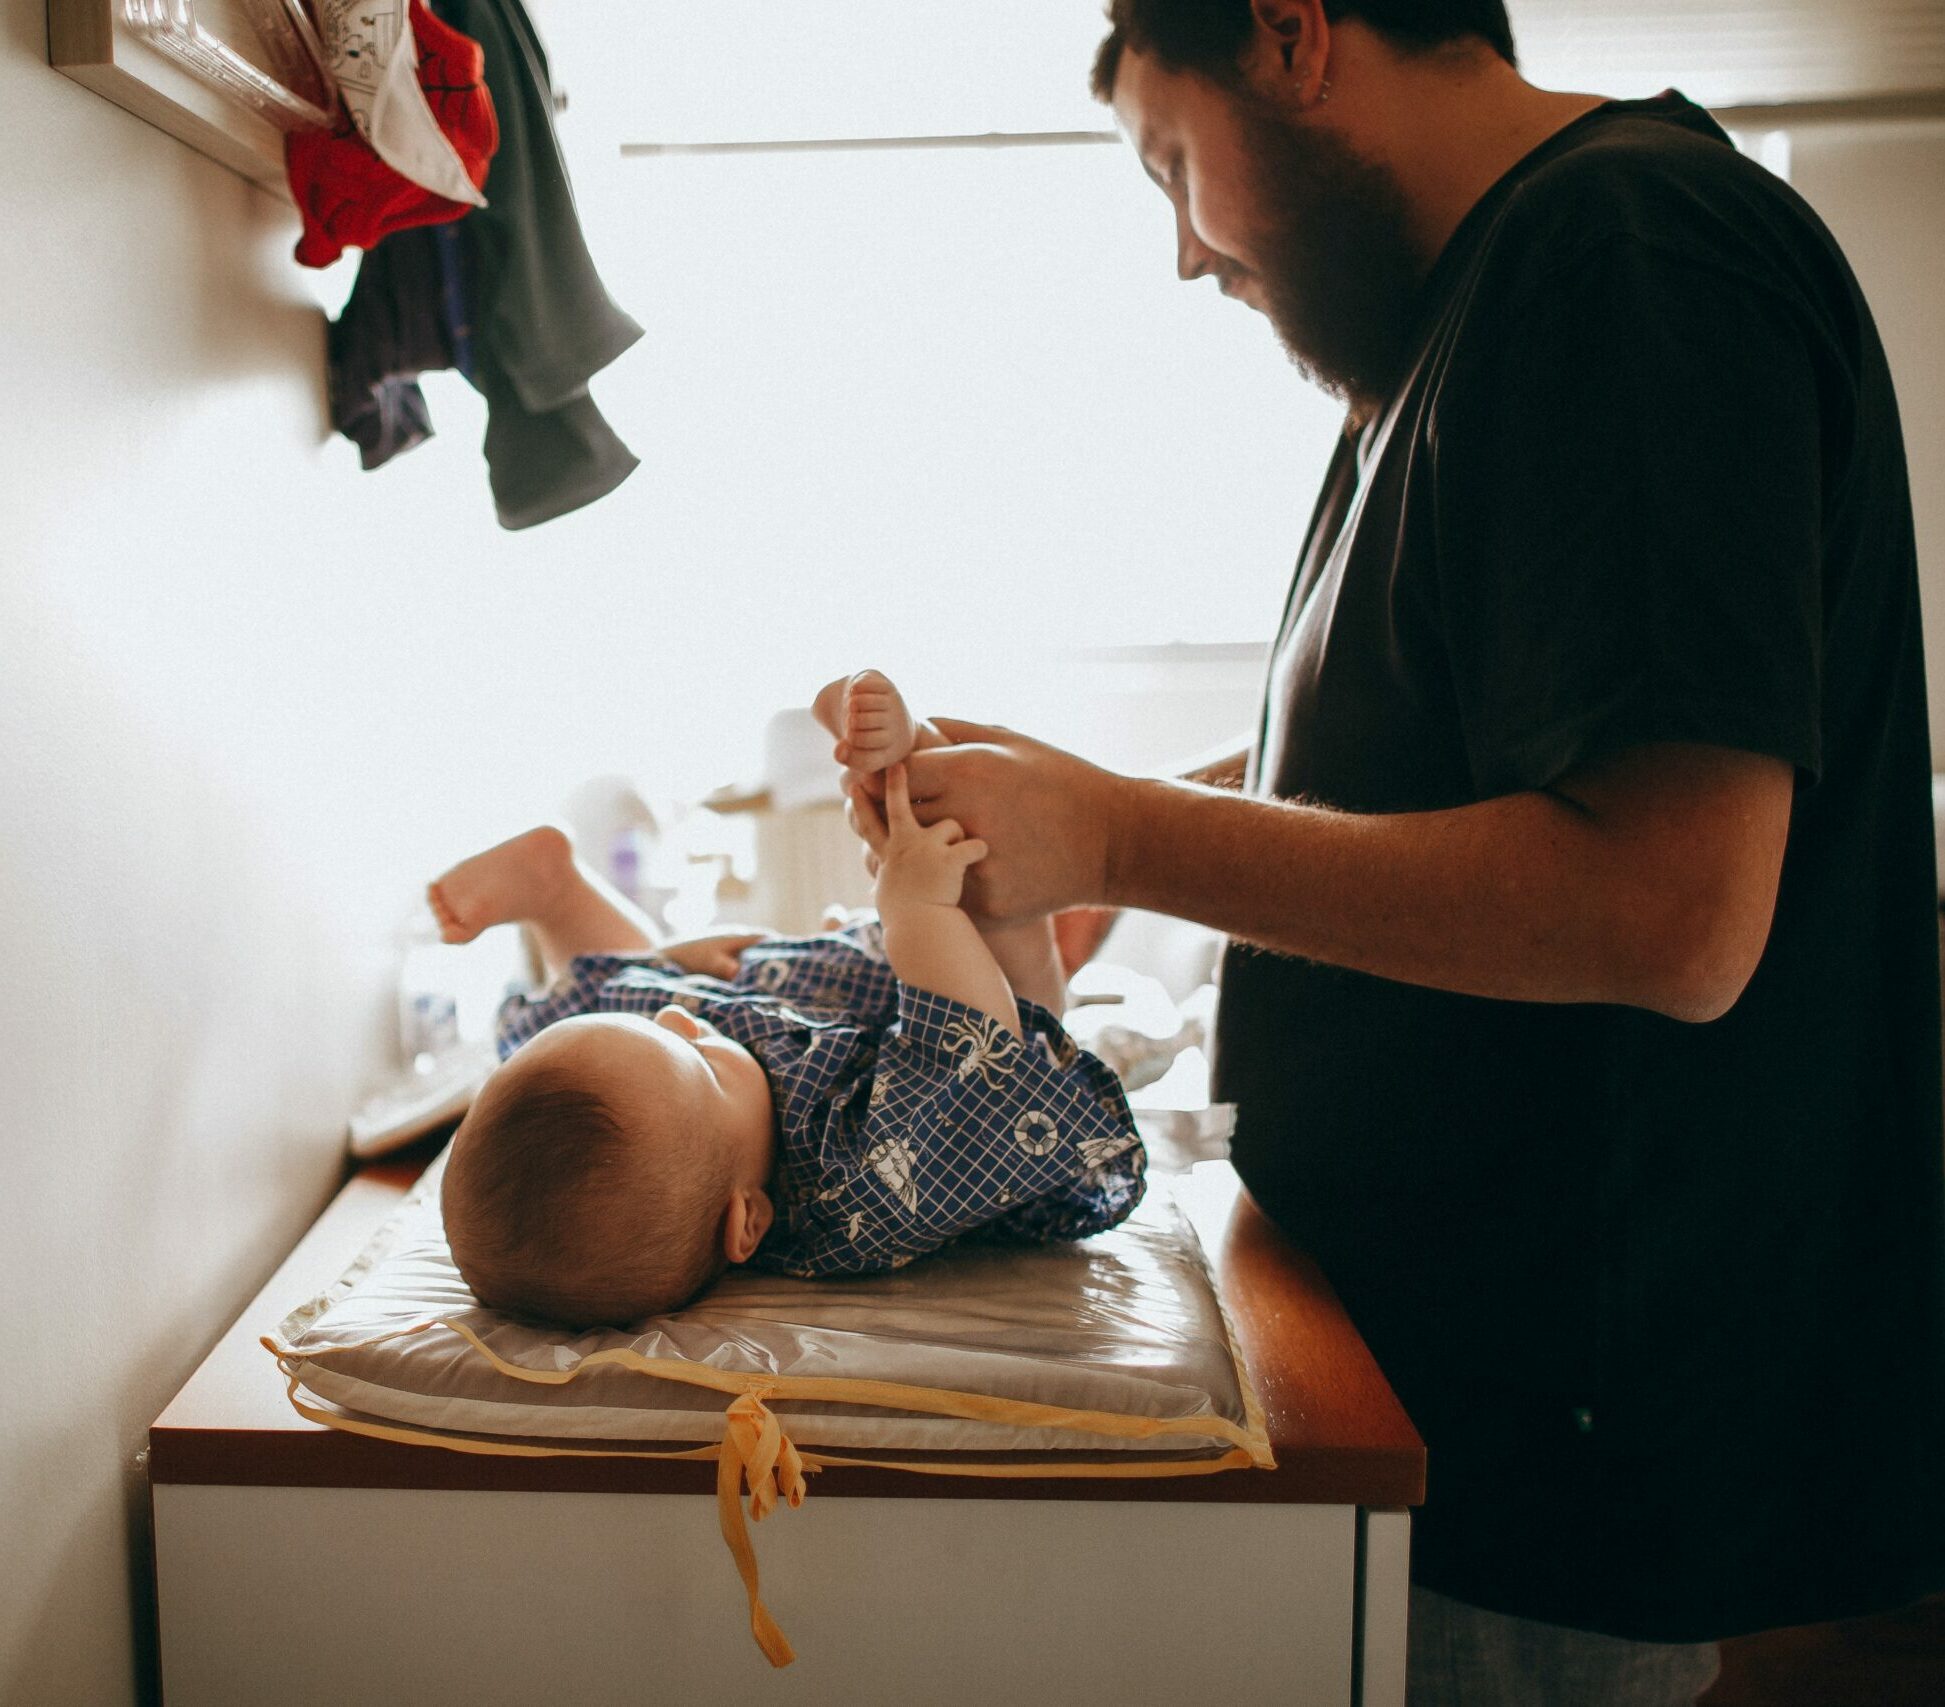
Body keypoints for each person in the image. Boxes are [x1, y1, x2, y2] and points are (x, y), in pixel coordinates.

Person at [855, 2, 1945, 1702]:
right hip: (1440, 1399)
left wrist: (1127, 828)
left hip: (1549, 1440)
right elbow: (1412, 753)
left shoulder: (1628, 256)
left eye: (1173, 166)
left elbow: (1672, 912)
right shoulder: (1466, 324)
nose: (1185, 251)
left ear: (1293, 33)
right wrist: (1085, 832)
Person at [431, 670, 1144, 1329]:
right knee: (1022, 973)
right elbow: (975, 1052)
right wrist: (917, 905)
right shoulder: (854, 1188)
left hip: (810, 997)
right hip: (962, 1013)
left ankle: (557, 892)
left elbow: (658, 1035)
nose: (682, 1019)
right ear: (748, 1221)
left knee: (584, 1044)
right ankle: (918, 778)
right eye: (697, 1057)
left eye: (669, 1023)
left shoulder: (699, 1118)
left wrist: (672, 968)